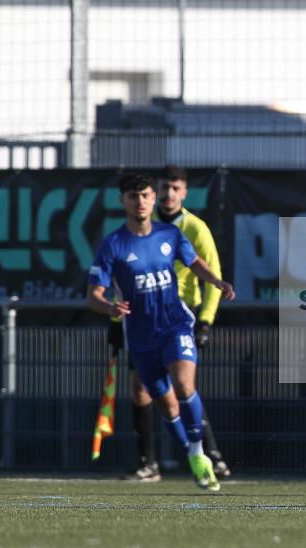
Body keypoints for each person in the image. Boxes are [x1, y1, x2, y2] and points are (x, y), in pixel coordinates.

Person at [88, 173, 235, 491]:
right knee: (166, 406)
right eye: (132, 196)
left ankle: (202, 453)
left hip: (174, 323)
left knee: (184, 385)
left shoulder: (171, 233)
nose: (139, 201)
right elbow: (94, 294)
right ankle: (194, 455)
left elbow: (195, 262)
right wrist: (109, 309)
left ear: (152, 198)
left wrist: (217, 282)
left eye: (144, 195)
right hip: (140, 336)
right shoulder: (114, 244)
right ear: (122, 201)